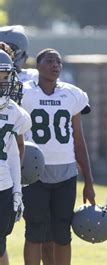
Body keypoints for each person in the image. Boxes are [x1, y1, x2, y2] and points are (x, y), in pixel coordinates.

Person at [21, 48, 96, 265]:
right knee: (35, 231)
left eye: (59, 62)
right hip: (33, 173)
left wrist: (89, 182)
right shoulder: (23, 92)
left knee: (62, 233)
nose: (55, 65)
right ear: (38, 65)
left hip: (65, 173)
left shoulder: (73, 94)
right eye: (50, 61)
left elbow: (79, 141)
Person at [0, 50, 31, 265]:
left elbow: (13, 155)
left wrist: (17, 191)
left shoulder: (15, 112)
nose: (3, 83)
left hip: (3, 186)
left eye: (5, 76)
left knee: (0, 245)